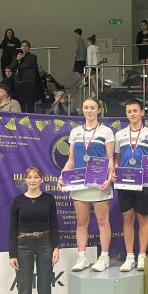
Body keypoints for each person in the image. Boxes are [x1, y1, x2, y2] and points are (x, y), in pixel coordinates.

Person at [57, 98, 114, 272]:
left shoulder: (106, 131)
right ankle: (81, 257)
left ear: (98, 110)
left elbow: (110, 159)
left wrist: (109, 179)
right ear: (82, 110)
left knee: (103, 221)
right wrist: (62, 177)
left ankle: (104, 257)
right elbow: (71, 159)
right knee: (82, 223)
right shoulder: (75, 132)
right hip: (79, 184)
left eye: (92, 108)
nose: (89, 110)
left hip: (99, 183)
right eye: (86, 107)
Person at [9, 166, 60, 294]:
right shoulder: (18, 201)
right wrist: (12, 254)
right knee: (23, 288)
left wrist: (56, 247)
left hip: (45, 244)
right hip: (23, 246)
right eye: (29, 177)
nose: (32, 180)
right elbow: (12, 229)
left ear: (42, 180)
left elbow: (54, 224)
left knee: (44, 286)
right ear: (25, 180)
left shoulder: (49, 199)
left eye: (36, 177)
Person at [114, 99, 148, 271]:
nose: (132, 114)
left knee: (143, 218)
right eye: (129, 111)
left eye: (135, 110)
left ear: (142, 112)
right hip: (125, 182)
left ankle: (142, 255)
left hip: (144, 182)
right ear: (126, 114)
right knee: (127, 219)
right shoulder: (120, 135)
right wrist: (115, 170)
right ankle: (129, 256)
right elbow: (117, 158)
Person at [10, 40, 39, 113]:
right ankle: (21, 117)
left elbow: (28, 65)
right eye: (22, 46)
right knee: (20, 102)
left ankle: (30, 117)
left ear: (29, 48)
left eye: (26, 46)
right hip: (18, 82)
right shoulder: (17, 57)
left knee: (30, 102)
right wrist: (17, 59)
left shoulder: (32, 56)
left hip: (28, 82)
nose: (24, 47)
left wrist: (17, 65)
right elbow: (11, 67)